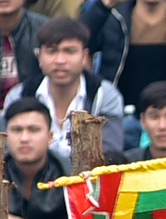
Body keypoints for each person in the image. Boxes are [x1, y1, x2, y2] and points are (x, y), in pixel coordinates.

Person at [10, 13, 126, 155]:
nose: (60, 60)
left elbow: (111, 153)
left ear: (84, 57)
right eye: (52, 51)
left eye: (69, 51)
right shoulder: (19, 95)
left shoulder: (104, 95)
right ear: (39, 57)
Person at [0, 95, 67, 219]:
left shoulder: (68, 173)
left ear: (50, 136)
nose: (24, 138)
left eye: (33, 130)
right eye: (16, 130)